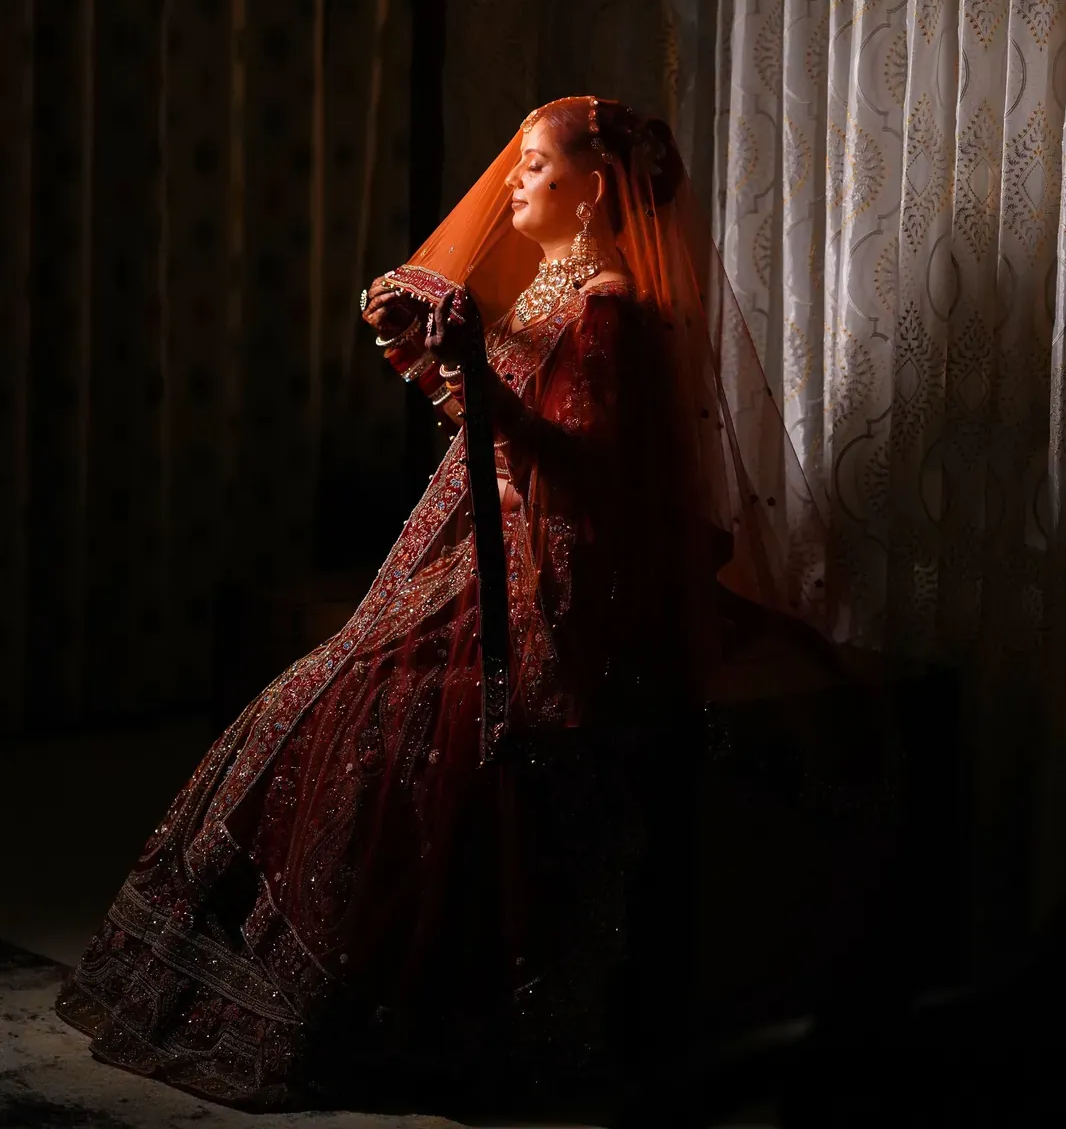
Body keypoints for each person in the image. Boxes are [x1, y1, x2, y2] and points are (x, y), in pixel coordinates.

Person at [55, 97, 842, 1112]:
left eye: (531, 166)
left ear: (592, 189)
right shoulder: (565, 287)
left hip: (562, 582)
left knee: (382, 712)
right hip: (509, 550)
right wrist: (450, 354)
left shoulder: (607, 309)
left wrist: (474, 368)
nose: (510, 182)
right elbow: (516, 442)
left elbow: (582, 478)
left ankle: (379, 1005)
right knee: (322, 686)